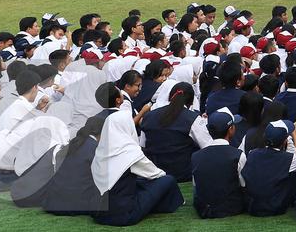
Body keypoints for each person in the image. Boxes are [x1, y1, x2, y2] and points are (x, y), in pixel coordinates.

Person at [90, 85, 185, 226]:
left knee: (141, 183)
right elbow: (155, 174)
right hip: (124, 215)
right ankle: (174, 204)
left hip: (98, 213)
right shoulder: (128, 152)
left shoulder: (101, 152)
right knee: (168, 180)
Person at [140, 81, 202, 181]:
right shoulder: (192, 118)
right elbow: (207, 145)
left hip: (154, 173)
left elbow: (143, 145)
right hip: (183, 175)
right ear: (191, 102)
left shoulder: (149, 116)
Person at [191, 109, 247, 218]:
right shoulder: (238, 155)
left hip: (204, 209)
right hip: (231, 208)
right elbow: (244, 185)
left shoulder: (196, 156)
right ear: (231, 129)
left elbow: (196, 185)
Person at [243, 120, 296, 217]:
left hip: (253, 206)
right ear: (285, 141)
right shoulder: (291, 158)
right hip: (277, 207)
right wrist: (294, 137)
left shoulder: (252, 153)